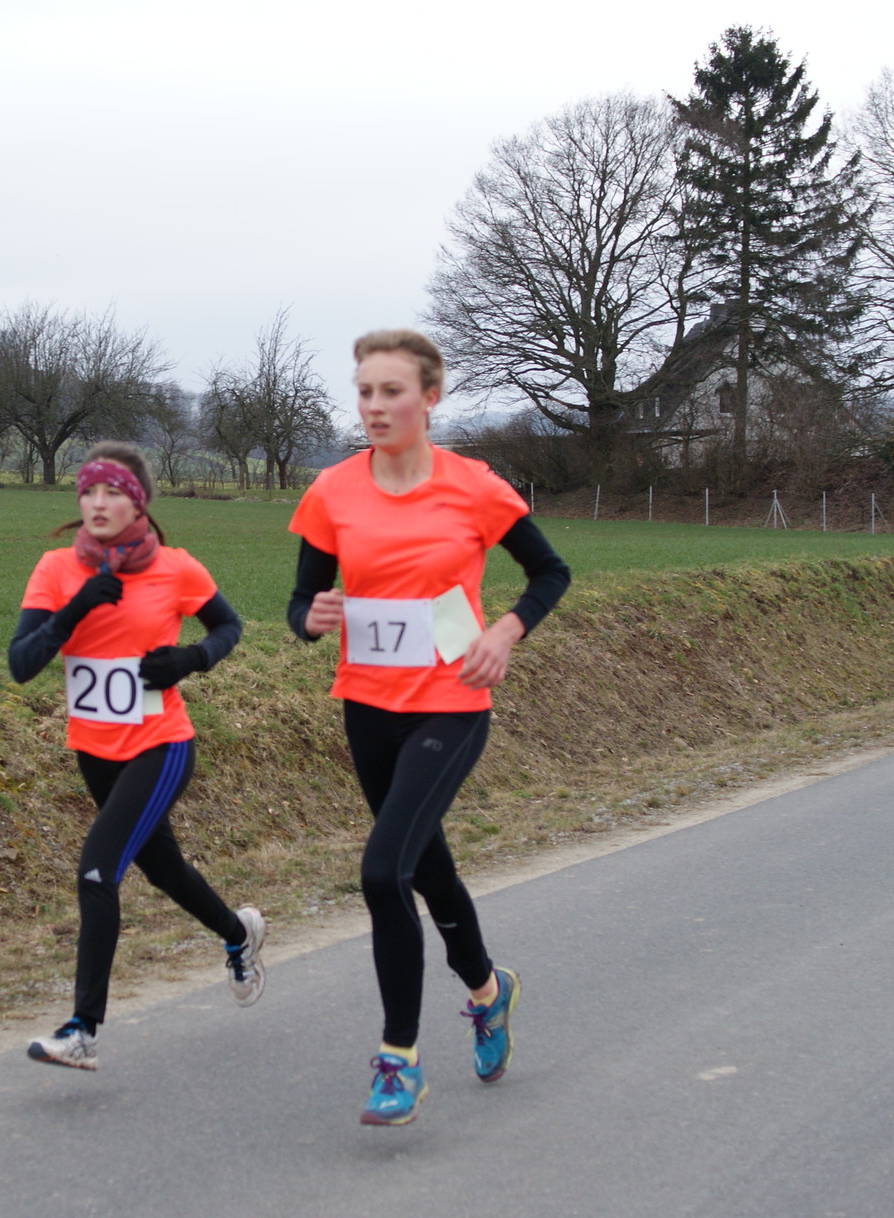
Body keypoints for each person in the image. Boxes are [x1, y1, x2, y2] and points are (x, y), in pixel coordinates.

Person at [286, 330, 570, 1125]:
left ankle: (398, 1060)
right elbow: (299, 605)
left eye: (391, 392)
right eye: (364, 392)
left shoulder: (473, 487)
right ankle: (488, 990)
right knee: (425, 866)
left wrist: (505, 632)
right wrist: (311, 617)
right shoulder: (332, 491)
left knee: (384, 872)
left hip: (451, 698)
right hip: (367, 702)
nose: (373, 407)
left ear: (431, 398)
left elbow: (551, 572)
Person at [9, 440, 266, 1071]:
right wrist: (74, 609)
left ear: (138, 502)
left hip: (162, 745)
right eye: (89, 492)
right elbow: (21, 664)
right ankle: (239, 934)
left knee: (98, 869)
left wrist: (191, 659)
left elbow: (228, 627)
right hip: (94, 750)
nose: (97, 503)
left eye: (113, 493)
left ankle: (82, 1030)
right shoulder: (56, 569)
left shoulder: (176, 568)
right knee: (165, 870)